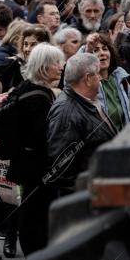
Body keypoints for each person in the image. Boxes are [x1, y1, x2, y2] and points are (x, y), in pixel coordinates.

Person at [0, 44, 64, 256]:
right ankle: (37, 259)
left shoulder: (25, 87)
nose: (61, 67)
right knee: (36, 215)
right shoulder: (39, 98)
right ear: (43, 66)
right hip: (37, 167)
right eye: (56, 63)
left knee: (31, 210)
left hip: (25, 164)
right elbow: (43, 137)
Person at [47, 53, 118, 196]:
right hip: (90, 198)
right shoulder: (66, 113)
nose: (100, 78)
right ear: (88, 78)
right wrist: (88, 196)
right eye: (98, 73)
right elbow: (63, 171)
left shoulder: (88, 100)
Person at [84, 33, 130, 131]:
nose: (102, 53)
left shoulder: (120, 78)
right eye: (95, 50)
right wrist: (86, 50)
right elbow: (71, 78)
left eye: (105, 49)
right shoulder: (86, 83)